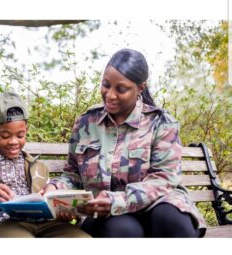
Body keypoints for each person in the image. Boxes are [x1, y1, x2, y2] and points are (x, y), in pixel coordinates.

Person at [42, 49, 207, 237]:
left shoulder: (161, 123)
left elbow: (165, 178)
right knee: (123, 229)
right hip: (107, 215)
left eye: (121, 89)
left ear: (140, 88)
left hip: (158, 203)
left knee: (170, 219)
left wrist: (118, 200)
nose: (110, 95)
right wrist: (56, 188)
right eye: (106, 85)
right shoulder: (86, 123)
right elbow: (73, 174)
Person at [0, 92, 90, 238]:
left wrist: (62, 211)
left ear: (26, 130)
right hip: (1, 223)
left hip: (46, 223)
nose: (14, 141)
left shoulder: (38, 167)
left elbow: (49, 201)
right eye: (5, 136)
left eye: (20, 135)